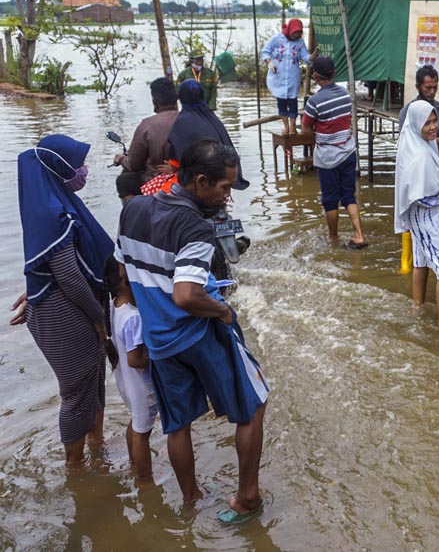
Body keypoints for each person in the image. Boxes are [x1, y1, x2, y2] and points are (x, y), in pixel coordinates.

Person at [115, 139, 269, 522]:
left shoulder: (132, 209)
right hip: (197, 333)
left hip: (159, 340)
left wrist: (154, 310)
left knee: (177, 423)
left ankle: (191, 498)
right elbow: (186, 295)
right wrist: (221, 312)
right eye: (224, 188)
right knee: (253, 405)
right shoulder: (196, 229)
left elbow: (123, 272)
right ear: (200, 181)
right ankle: (247, 498)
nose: (227, 197)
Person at [10, 135, 114, 466]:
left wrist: (36, 286)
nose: (82, 171)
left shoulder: (58, 202)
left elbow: (54, 266)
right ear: (58, 167)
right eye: (77, 164)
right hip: (65, 314)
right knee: (77, 391)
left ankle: (97, 446)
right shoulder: (51, 214)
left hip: (73, 306)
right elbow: (68, 276)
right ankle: (76, 467)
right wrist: (99, 317)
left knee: (95, 381)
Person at [394, 101, 439, 326]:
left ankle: (418, 305)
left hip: (419, 219)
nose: (433, 127)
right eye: (428, 123)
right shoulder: (421, 156)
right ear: (416, 124)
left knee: (421, 260)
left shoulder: (416, 144)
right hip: (429, 217)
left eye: (435, 121)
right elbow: (421, 195)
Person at [301, 55, 366, 248]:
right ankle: (359, 234)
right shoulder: (346, 95)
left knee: (330, 200)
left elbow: (305, 130)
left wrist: (318, 133)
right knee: (348, 195)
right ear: (335, 74)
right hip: (348, 152)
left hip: (328, 158)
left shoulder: (314, 102)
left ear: (315, 76)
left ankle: (333, 238)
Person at [105, 255, 157, 483]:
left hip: (126, 382)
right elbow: (136, 359)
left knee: (136, 425)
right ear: (126, 282)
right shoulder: (133, 317)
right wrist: (160, 357)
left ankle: (133, 464)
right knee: (142, 432)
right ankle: (145, 480)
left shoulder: (114, 306)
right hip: (141, 385)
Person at [167, 79, 250, 191]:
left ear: (181, 98)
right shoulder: (212, 119)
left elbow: (179, 159)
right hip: (219, 184)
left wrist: (171, 167)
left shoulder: (182, 123)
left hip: (200, 186)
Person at [114, 77, 179, 202]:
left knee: (123, 182)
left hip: (158, 181)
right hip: (187, 179)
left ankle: (137, 217)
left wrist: (122, 159)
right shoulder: (189, 120)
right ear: (176, 99)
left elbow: (133, 164)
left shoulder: (146, 126)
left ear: (155, 101)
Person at [261, 18, 317, 135]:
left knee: (293, 102)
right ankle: (285, 126)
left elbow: (305, 56)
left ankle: (292, 127)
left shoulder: (300, 42)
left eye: (298, 33)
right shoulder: (277, 38)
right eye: (294, 32)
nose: (296, 35)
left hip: (292, 76)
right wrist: (269, 63)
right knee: (281, 101)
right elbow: (265, 51)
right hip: (278, 76)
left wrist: (312, 56)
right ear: (290, 29)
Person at [398, 65, 439, 165]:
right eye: (428, 88)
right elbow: (405, 143)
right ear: (418, 87)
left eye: (435, 87)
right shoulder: (406, 112)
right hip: (416, 166)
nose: (432, 92)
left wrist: (421, 138)